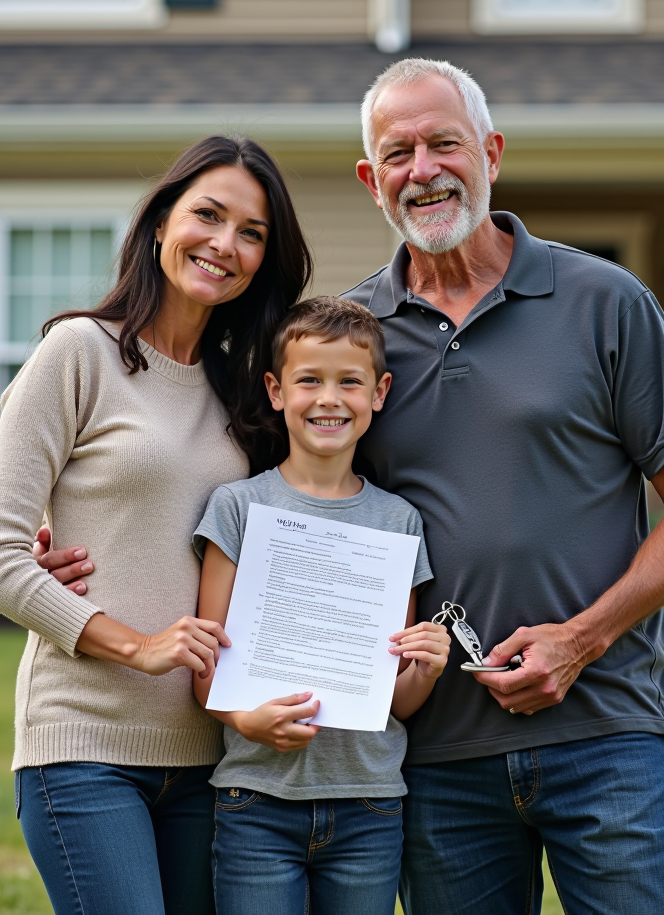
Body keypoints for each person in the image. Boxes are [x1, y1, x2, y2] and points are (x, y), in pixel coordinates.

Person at [342, 58, 664, 915]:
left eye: (444, 143)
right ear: (374, 181)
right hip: (437, 755)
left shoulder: (603, 301)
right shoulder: (350, 341)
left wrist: (582, 640)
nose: (424, 171)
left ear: (490, 152)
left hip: (606, 738)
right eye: (399, 153)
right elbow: (285, 500)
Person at [0, 135, 312, 915]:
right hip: (83, 746)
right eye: (209, 215)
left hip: (208, 754)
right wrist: (141, 646)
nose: (225, 244)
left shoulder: (243, 392)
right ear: (161, 223)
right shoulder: (76, 353)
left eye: (252, 232)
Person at [190, 296, 450, 915]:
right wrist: (243, 720)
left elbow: (398, 700)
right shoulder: (236, 506)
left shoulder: (399, 520)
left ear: (379, 393)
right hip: (256, 797)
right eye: (309, 380)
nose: (328, 399)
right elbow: (206, 668)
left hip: (369, 801)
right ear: (277, 391)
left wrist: (428, 669)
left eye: (349, 382)